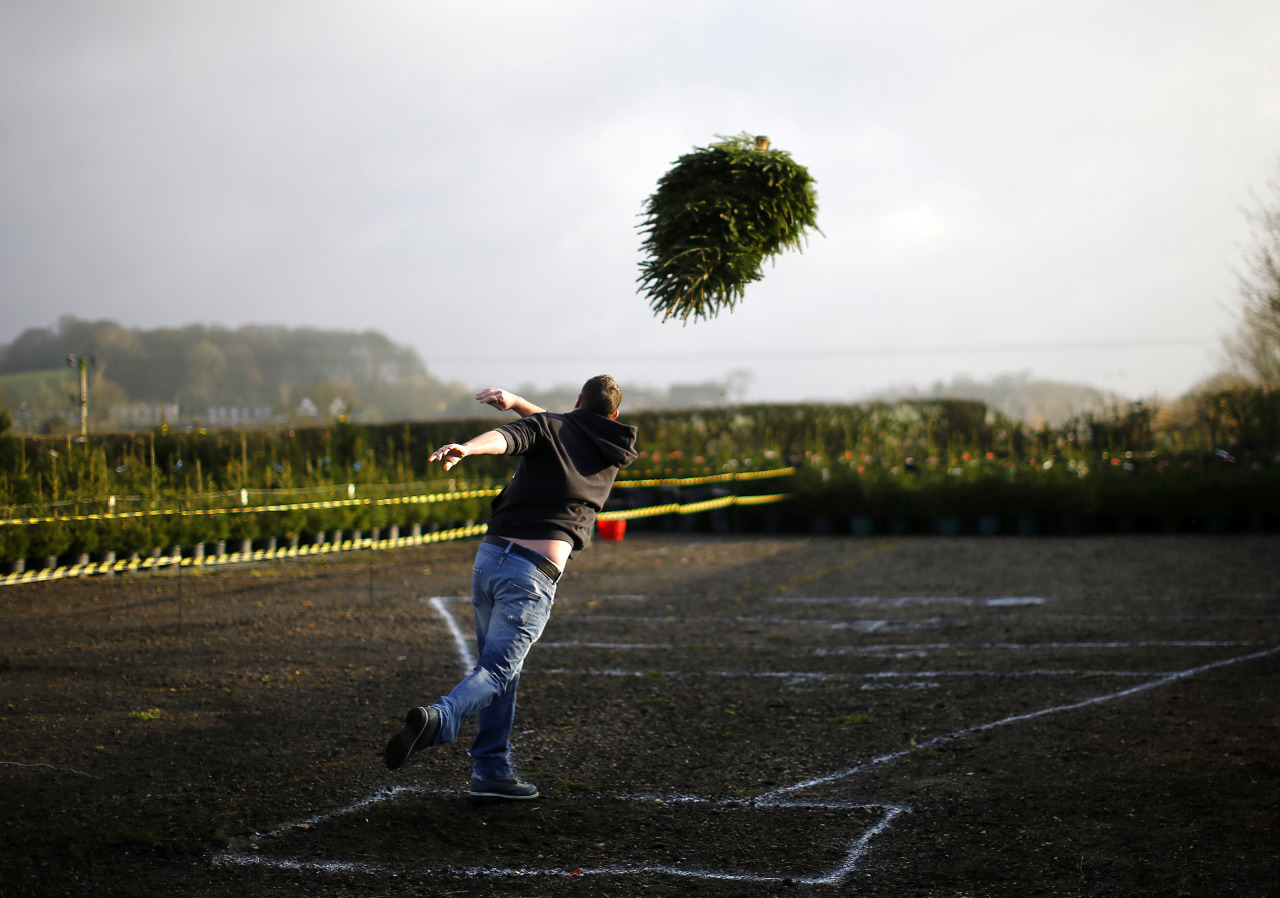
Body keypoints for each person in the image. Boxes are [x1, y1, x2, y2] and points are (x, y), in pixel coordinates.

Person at [383, 375, 639, 799]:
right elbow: (549, 426)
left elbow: (511, 437)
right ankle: (441, 718)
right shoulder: (611, 450)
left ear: (577, 401)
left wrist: (468, 447)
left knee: (501, 671)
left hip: (490, 559)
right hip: (531, 574)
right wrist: (520, 403)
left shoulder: (552, 427)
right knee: (498, 671)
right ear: (614, 415)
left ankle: (490, 770)